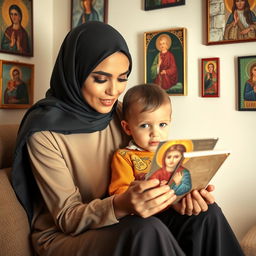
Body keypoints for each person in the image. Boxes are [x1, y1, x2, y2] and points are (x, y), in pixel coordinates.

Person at [11, 21, 244, 256]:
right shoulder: (43, 132)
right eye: (101, 79)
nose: (114, 91)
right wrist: (121, 204)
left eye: (122, 78)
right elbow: (66, 218)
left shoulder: (122, 113)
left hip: (126, 217)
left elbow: (149, 166)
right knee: (144, 230)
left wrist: (178, 196)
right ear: (75, 72)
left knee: (205, 214)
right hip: (65, 235)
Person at [109, 83, 172, 195]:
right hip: (145, 209)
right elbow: (119, 193)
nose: (155, 133)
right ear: (128, 128)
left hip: (173, 204)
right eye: (145, 126)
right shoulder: (124, 157)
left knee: (209, 207)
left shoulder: (174, 153)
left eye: (162, 124)